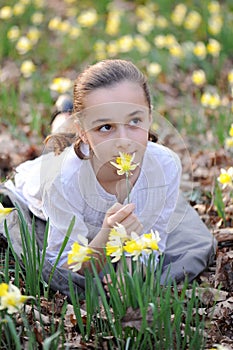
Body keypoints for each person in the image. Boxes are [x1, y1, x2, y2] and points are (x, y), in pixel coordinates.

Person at [0, 59, 216, 297]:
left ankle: (73, 117)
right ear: (82, 130)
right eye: (106, 127)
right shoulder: (61, 180)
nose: (124, 140)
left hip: (85, 146)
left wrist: (131, 270)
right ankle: (63, 118)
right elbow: (63, 267)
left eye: (135, 121)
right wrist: (106, 234)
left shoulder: (165, 164)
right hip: (40, 185)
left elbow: (155, 241)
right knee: (58, 144)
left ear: (150, 116)